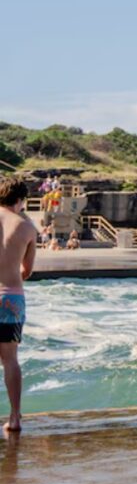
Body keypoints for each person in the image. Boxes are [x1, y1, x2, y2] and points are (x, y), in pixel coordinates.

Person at [0, 178, 35, 432]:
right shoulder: (25, 227)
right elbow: (27, 270)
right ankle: (14, 418)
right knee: (10, 360)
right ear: (20, 200)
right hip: (11, 297)